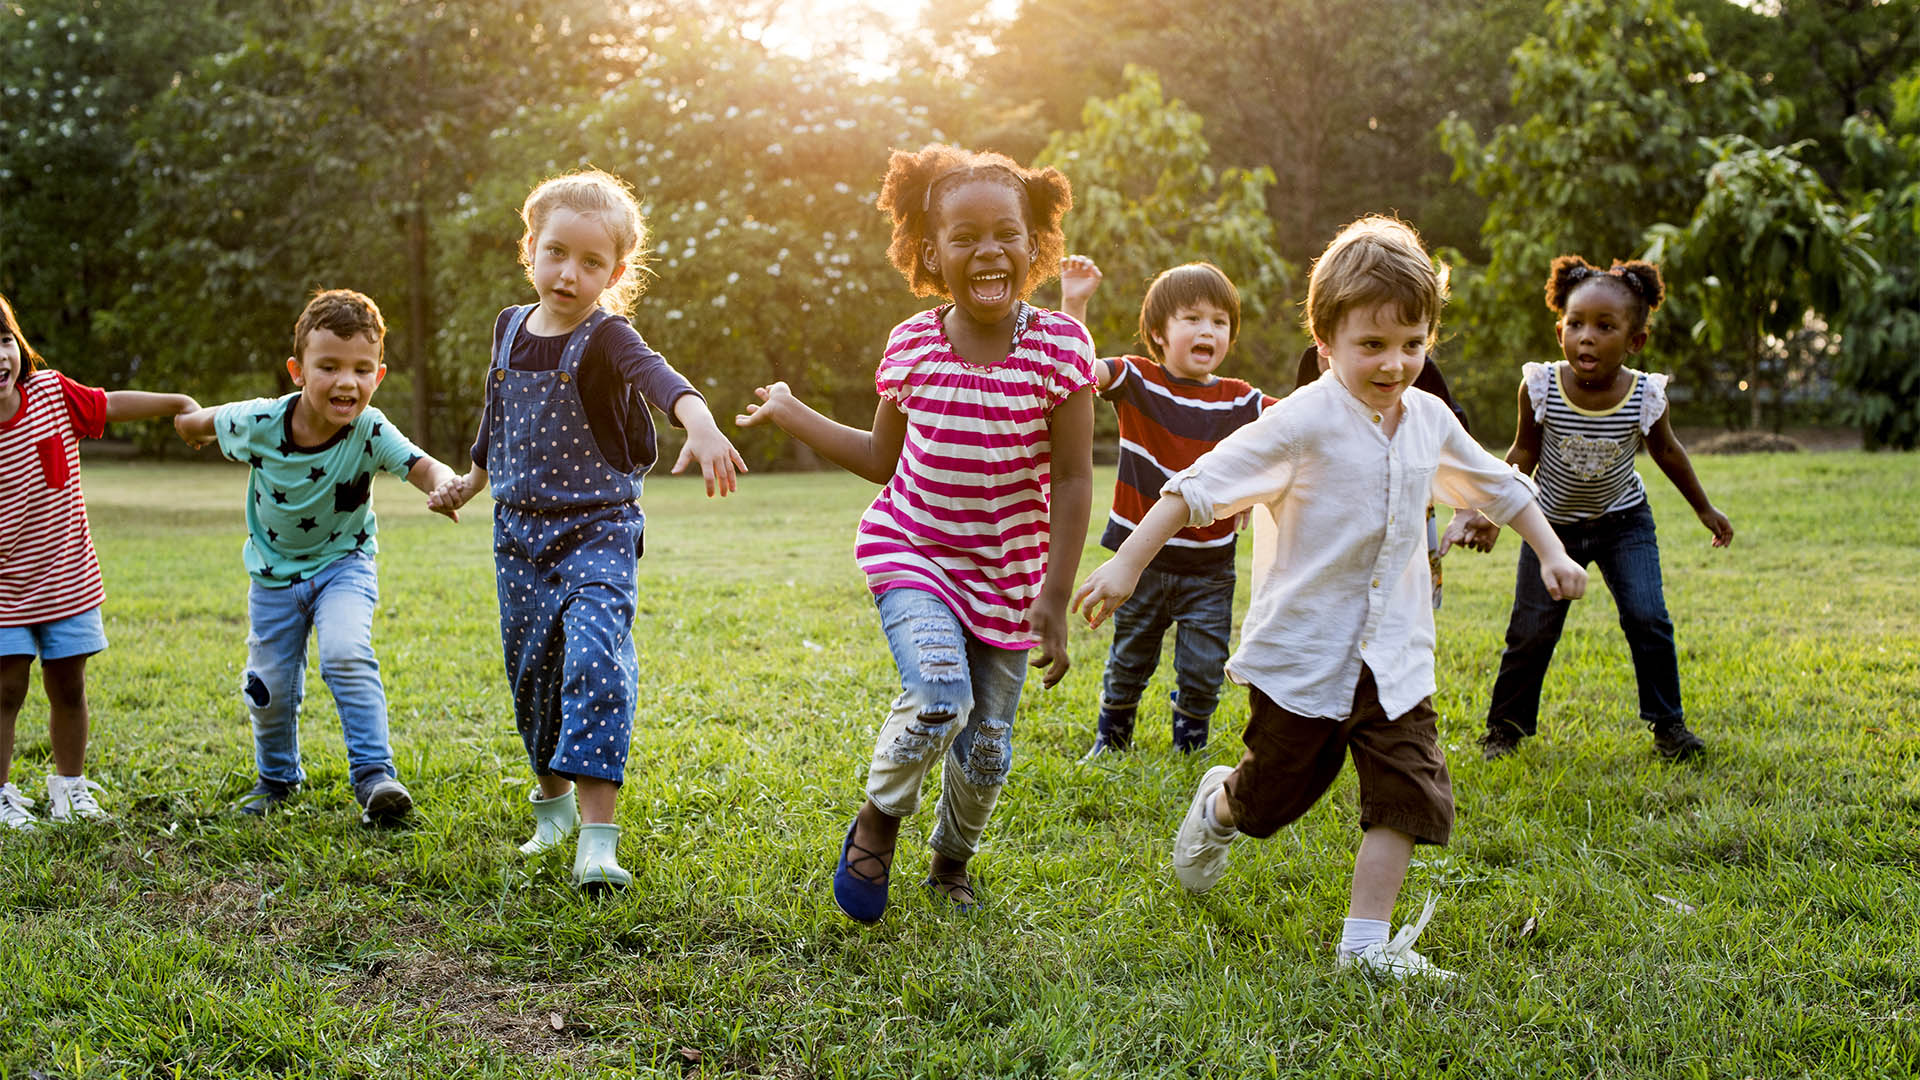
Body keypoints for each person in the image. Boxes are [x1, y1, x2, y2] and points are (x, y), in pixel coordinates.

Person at [1071, 217, 1588, 979]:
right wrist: (1126, 568)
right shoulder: (1299, 422)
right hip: (1307, 655)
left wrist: (1552, 550)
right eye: (1372, 345)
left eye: (1412, 344)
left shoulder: (1430, 420)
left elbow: (1497, 485)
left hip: (1395, 653)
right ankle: (1222, 805)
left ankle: (1364, 947)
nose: (1395, 363)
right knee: (1272, 799)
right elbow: (1196, 490)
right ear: (1326, 345)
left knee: (1409, 791)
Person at [736, 144, 1094, 923]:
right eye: (964, 237)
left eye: (1007, 232)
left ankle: (950, 862)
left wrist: (1054, 596)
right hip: (915, 550)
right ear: (932, 253)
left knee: (988, 749)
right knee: (937, 696)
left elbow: (1071, 480)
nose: (988, 250)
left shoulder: (1062, 350)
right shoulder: (911, 346)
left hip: (1009, 575)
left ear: (1035, 246)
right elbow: (877, 458)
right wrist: (794, 411)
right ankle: (879, 821)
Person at [430, 169, 745, 892]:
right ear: (530, 249)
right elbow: (495, 417)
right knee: (533, 673)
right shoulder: (509, 327)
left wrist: (700, 420)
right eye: (556, 252)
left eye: (592, 262)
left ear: (616, 272)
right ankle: (554, 812)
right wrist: (470, 483)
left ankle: (599, 842)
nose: (569, 273)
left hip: (598, 529)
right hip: (517, 538)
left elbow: (660, 378)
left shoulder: (608, 337)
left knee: (595, 660)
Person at [176, 289, 457, 825]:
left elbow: (423, 466)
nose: (346, 381)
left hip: (343, 567)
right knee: (270, 688)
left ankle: (375, 777)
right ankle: (277, 779)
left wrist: (444, 486)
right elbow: (198, 422)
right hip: (273, 579)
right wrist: (188, 425)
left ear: (378, 374)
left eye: (361, 368)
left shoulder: (371, 429)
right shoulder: (259, 421)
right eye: (328, 366)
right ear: (297, 371)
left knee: (347, 654)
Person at [1466, 255, 1732, 762]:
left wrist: (1704, 508)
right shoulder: (1540, 386)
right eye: (1576, 324)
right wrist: (1490, 512)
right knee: (1530, 630)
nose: (1587, 336)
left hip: (1624, 523)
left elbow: (1668, 451)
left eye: (1605, 327)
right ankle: (1504, 730)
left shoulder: (1643, 395)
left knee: (1647, 617)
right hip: (1551, 529)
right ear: (1560, 329)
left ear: (1635, 341)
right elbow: (1522, 453)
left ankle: (1668, 727)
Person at [1058, 255, 1274, 757]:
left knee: (1203, 666)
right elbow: (1073, 371)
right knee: (1130, 658)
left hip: (1210, 569)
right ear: (1158, 332)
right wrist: (1074, 302)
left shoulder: (1241, 401)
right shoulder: (1136, 379)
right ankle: (1111, 742)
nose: (1208, 331)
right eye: (1193, 319)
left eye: (1220, 322)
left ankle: (1190, 745)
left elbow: (1297, 429)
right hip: (1140, 565)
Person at [0, 293, 199, 830]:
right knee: (6, 688)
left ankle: (68, 787)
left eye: (2, 341)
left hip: (64, 575)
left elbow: (108, 404)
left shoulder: (50, 393)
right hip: (3, 590)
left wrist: (176, 401)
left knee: (69, 685)